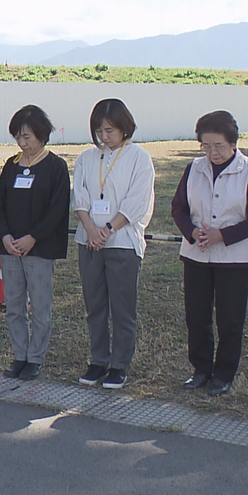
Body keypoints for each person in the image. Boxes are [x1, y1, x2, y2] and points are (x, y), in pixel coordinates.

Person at [170, 111, 248, 398]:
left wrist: (222, 235)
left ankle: (223, 374)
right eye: (206, 146)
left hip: (235, 258)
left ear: (233, 143)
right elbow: (178, 208)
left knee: (230, 319)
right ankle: (200, 370)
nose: (212, 153)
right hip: (197, 254)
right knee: (196, 316)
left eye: (219, 146)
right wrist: (192, 231)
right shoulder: (193, 168)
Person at [71, 98, 155, 389]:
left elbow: (137, 202)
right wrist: (90, 228)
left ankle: (120, 364)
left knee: (122, 307)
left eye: (110, 130)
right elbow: (79, 197)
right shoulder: (87, 157)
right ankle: (98, 360)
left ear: (124, 127)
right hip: (89, 241)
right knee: (95, 305)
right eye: (99, 131)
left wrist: (106, 229)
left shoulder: (138, 157)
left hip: (122, 242)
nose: (104, 137)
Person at [0, 105, 70, 380]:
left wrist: (32, 237)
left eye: (27, 137)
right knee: (13, 305)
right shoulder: (11, 166)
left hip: (40, 248)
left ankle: (35, 357)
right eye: (18, 138)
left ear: (41, 134)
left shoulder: (56, 167)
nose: (22, 143)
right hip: (11, 248)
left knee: (39, 306)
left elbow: (57, 209)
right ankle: (19, 355)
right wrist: (6, 237)